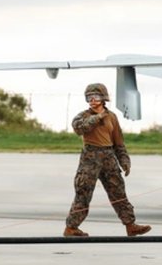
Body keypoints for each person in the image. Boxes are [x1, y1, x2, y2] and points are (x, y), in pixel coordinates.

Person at [64, 83, 152, 237]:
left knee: (118, 191)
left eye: (96, 96)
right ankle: (71, 228)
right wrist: (97, 118)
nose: (92, 100)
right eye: (88, 97)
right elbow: (79, 128)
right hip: (90, 157)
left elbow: (118, 142)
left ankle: (130, 225)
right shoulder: (83, 116)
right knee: (83, 192)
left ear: (103, 98)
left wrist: (124, 160)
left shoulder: (112, 117)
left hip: (109, 156)